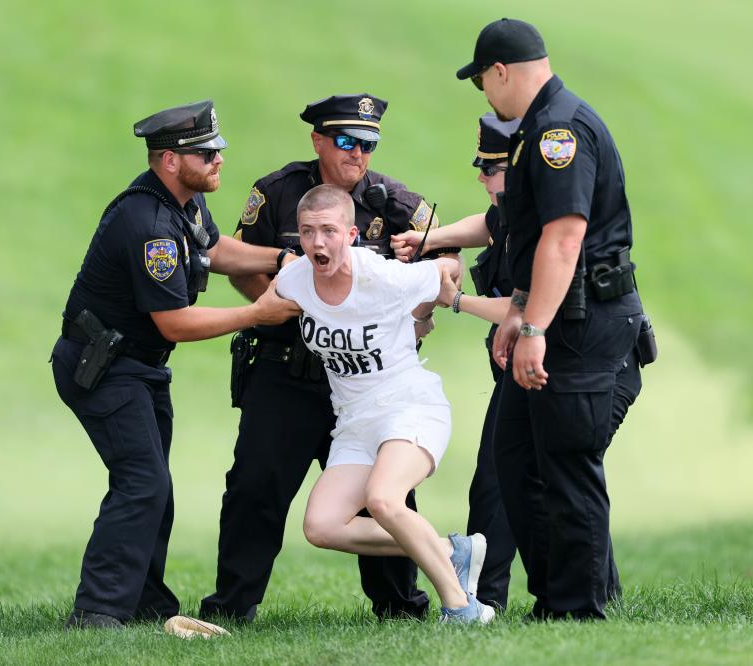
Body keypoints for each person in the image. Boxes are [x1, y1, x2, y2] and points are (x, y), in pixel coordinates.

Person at [51, 100, 301, 630]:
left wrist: (278, 258)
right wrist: (257, 313)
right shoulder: (149, 225)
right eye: (205, 153)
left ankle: (144, 602)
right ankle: (98, 611)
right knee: (142, 481)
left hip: (136, 366)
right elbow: (175, 322)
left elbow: (216, 250)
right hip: (105, 367)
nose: (218, 161)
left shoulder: (184, 204)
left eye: (218, 150)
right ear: (169, 160)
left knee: (153, 483)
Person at [200, 94, 443, 622]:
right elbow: (239, 264)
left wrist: (418, 318)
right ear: (318, 141)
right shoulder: (279, 191)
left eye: (369, 143)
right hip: (287, 369)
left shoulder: (395, 202)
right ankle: (231, 608)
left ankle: (402, 609)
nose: (359, 153)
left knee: (381, 497)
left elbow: (446, 262)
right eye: (348, 141)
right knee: (254, 484)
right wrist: (285, 307)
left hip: (365, 384)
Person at [456, 19, 649, 620]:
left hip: (584, 323)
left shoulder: (556, 130)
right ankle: (556, 595)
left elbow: (564, 240)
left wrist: (533, 328)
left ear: (501, 72)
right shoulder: (535, 128)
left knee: (565, 462)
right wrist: (517, 309)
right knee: (516, 456)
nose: (485, 95)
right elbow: (527, 234)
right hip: (555, 314)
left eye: (483, 82)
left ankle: (579, 606)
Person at [276, 184, 494, 624]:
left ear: (352, 233)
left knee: (384, 500)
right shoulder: (293, 280)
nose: (318, 243)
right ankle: (453, 550)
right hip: (354, 422)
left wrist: (421, 316)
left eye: (329, 231)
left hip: (408, 406)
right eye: (307, 232)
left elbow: (445, 271)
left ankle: (463, 607)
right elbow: (271, 296)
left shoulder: (384, 275)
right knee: (322, 526)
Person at [389, 113, 526, 611]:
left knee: (516, 481)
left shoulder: (537, 216)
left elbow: (519, 307)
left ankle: (486, 595)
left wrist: (454, 301)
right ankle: (489, 594)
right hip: (520, 371)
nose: (481, 177)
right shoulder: (512, 208)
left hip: (550, 367)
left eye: (490, 169)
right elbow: (488, 225)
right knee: (512, 480)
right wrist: (429, 238)